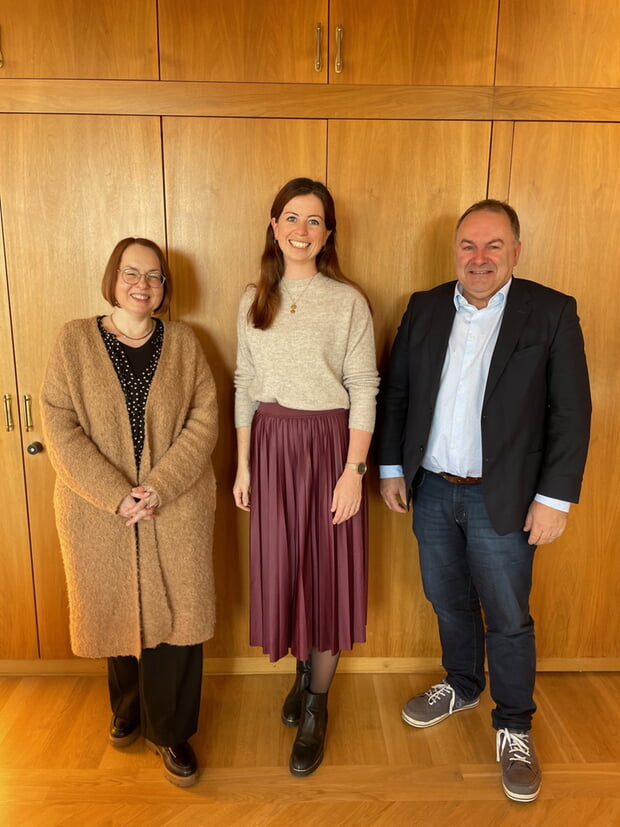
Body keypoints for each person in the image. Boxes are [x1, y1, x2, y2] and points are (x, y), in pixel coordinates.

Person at [376, 200, 591, 803]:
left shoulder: (550, 312)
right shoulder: (422, 307)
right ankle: (463, 682)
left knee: (508, 616)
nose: (479, 258)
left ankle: (515, 725)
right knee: (446, 599)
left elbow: (571, 414)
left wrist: (554, 499)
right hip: (433, 489)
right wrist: (393, 468)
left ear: (515, 252)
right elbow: (397, 393)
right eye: (468, 245)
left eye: (493, 246)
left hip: (507, 498)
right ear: (455, 251)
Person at [40, 238, 218, 788]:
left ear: (165, 287)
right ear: (112, 277)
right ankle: (129, 707)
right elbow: (58, 421)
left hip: (177, 503)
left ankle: (171, 731)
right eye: (131, 273)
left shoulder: (185, 343)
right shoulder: (74, 339)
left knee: (178, 621)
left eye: (155, 276)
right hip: (98, 509)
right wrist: (114, 492)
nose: (143, 284)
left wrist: (158, 487)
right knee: (114, 607)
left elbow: (204, 419)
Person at [233, 178, 379, 777]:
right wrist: (242, 464)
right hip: (270, 450)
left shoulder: (348, 301)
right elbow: (245, 381)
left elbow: (364, 387)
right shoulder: (251, 299)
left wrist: (354, 472)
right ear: (273, 226)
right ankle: (298, 678)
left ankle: (317, 705)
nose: (301, 229)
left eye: (314, 220)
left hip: (329, 451)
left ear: (328, 233)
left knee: (325, 574)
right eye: (291, 218)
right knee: (284, 567)